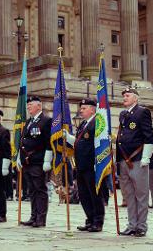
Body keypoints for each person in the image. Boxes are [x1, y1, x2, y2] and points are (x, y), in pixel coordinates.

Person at [116, 88, 153, 237]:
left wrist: (146, 157)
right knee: (128, 195)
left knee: (141, 194)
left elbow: (148, 136)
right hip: (124, 160)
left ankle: (141, 226)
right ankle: (132, 224)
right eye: (123, 95)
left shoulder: (143, 112)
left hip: (138, 159)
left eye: (127, 95)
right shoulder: (123, 114)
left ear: (136, 98)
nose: (124, 98)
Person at [64, 98, 104, 232]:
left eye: (84, 108)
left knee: (94, 194)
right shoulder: (83, 124)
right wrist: (67, 137)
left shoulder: (97, 122)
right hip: (81, 165)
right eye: (81, 108)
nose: (81, 111)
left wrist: (97, 162)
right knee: (84, 194)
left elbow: (99, 144)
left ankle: (98, 222)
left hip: (91, 165)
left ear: (92, 109)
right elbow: (79, 142)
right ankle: (90, 219)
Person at [18, 96, 52, 228]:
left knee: (40, 190)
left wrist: (47, 160)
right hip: (27, 161)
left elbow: (48, 142)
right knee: (31, 190)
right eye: (27, 106)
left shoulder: (46, 121)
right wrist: (19, 158)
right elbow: (23, 141)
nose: (28, 107)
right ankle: (33, 216)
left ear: (39, 106)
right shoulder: (29, 122)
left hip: (38, 161)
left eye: (30, 105)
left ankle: (41, 218)